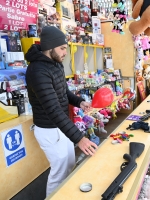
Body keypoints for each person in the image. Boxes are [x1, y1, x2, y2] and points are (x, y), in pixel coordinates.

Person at [25, 26, 98, 197]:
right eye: (62, 48)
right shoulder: (37, 71)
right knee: (59, 173)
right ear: (50, 47)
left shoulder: (55, 64)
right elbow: (52, 109)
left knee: (70, 164)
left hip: (62, 127)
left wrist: (80, 102)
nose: (66, 52)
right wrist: (80, 139)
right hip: (49, 130)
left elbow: (63, 92)